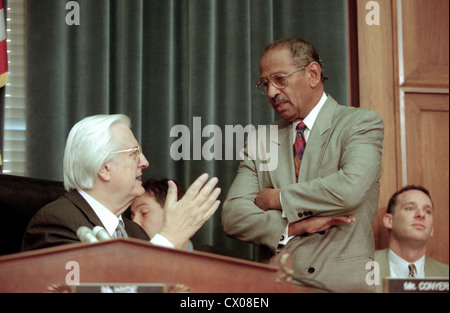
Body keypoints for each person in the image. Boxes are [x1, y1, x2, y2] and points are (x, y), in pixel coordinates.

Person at [222, 37, 384, 292]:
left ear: (312, 73)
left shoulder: (360, 123)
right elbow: (232, 215)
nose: (272, 92)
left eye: (279, 79)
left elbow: (350, 189)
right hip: (276, 287)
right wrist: (291, 227)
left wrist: (277, 199)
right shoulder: (261, 138)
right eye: (265, 84)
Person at [22, 114, 221, 251]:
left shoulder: (135, 233)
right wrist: (168, 239)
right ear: (104, 168)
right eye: (134, 153)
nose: (144, 162)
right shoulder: (56, 223)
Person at [374, 185, 449, 292]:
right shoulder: (361, 270)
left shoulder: (446, 275)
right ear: (389, 221)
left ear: (432, 229)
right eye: (410, 208)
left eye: (428, 211)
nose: (421, 214)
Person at [130, 178, 194, 250]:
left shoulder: (208, 257)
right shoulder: (128, 257)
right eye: (132, 215)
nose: (134, 222)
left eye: (144, 213)